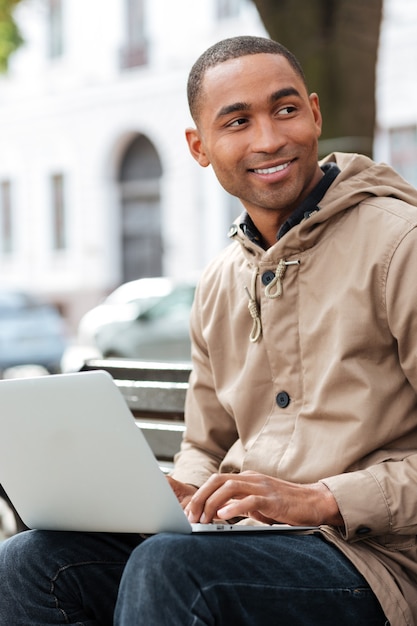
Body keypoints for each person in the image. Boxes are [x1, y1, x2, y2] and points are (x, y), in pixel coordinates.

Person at [1, 34, 417, 626]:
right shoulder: (223, 278)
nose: (269, 138)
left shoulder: (401, 246)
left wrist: (321, 500)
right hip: (236, 546)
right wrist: (183, 496)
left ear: (315, 113)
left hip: (375, 563)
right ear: (200, 146)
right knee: (30, 563)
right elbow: (205, 443)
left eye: (286, 109)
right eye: (238, 121)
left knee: (172, 569)